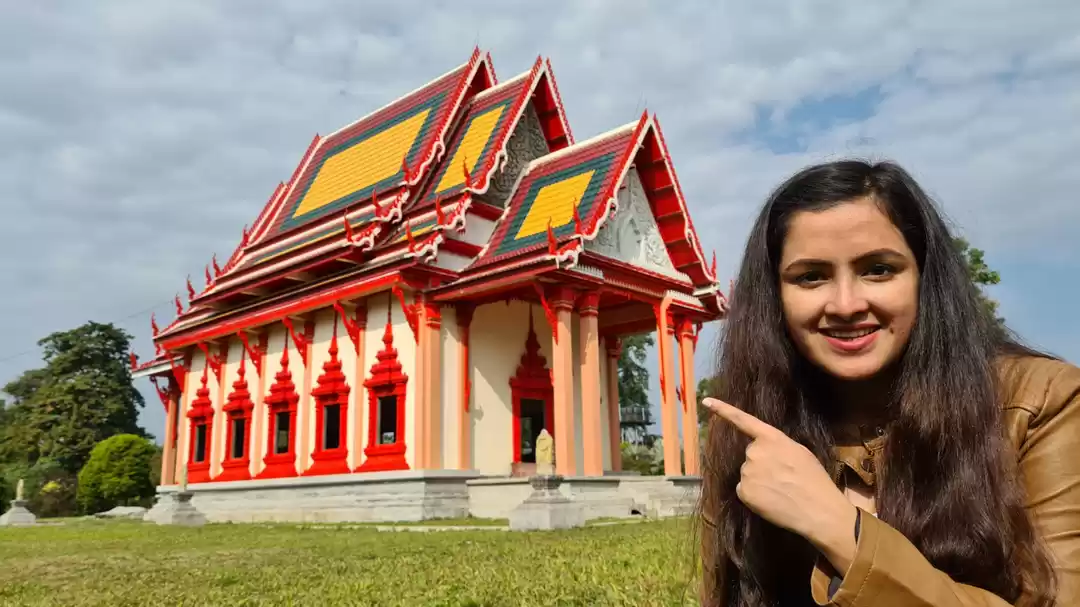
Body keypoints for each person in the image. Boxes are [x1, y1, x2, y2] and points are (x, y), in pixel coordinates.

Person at [697, 160, 1080, 606]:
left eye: (878, 269)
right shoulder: (751, 429)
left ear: (924, 278)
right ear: (774, 298)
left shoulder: (1038, 402)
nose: (845, 304)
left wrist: (842, 530)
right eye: (810, 276)